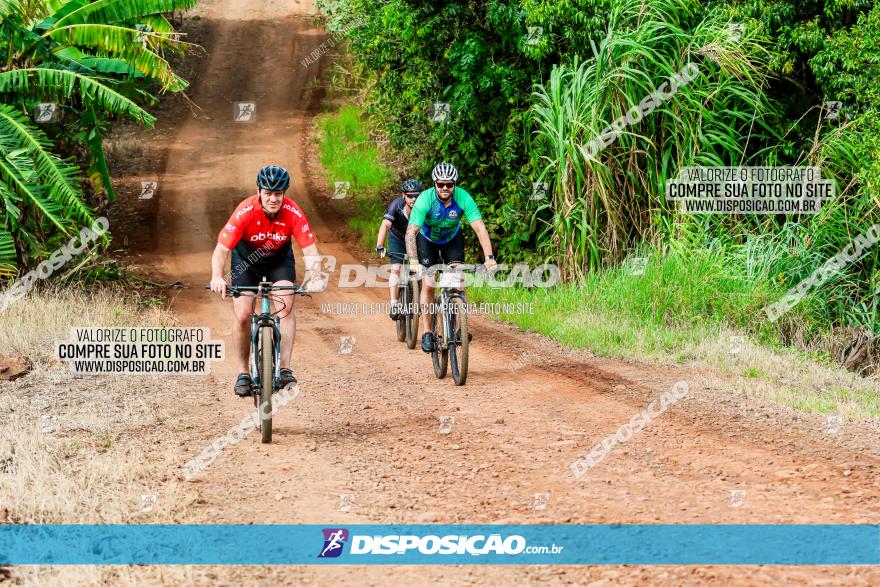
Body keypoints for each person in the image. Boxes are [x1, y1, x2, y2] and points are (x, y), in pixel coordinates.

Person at [209, 164, 324, 396]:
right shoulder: (244, 211)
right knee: (242, 314)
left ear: (284, 194)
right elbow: (221, 249)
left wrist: (316, 275)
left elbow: (310, 250)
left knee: (286, 306)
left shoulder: (292, 212)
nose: (273, 199)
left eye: (278, 194)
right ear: (259, 191)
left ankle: (284, 369)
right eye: (268, 193)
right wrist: (217, 277)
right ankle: (243, 372)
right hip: (246, 261)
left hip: (279, 261)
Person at [404, 163, 497, 353]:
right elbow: (411, 233)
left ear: (454, 184)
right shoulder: (425, 199)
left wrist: (489, 257)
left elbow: (479, 227)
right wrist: (414, 262)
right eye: (440, 184)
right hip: (427, 240)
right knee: (429, 283)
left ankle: (459, 329)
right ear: (434, 184)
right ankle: (428, 332)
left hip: (452, 240)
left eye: (449, 184)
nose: (445, 188)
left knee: (458, 281)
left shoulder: (463, 197)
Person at [375, 179, 422, 319]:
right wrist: (379, 245)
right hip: (397, 239)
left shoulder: (424, 206)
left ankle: (418, 300)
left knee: (422, 271)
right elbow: (385, 225)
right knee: (396, 268)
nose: (413, 199)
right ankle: (394, 303)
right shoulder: (396, 205)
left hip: (416, 239)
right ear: (403, 195)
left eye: (417, 196)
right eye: (410, 195)